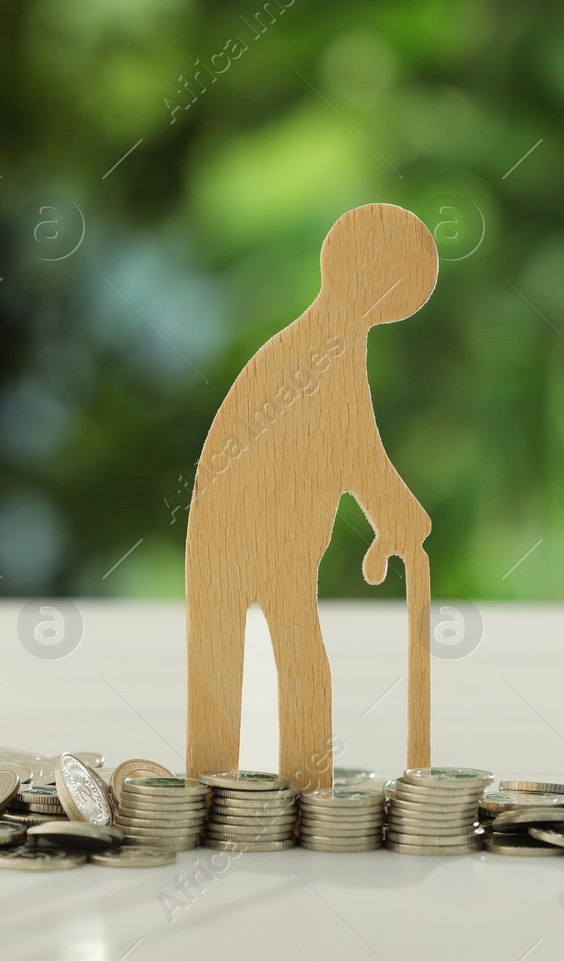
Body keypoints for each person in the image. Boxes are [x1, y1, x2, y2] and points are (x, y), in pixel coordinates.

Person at [185, 203, 437, 790]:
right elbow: (356, 454)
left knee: (287, 664)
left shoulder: (334, 346)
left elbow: (353, 450)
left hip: (278, 547)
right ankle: (233, 791)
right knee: (255, 666)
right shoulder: (320, 353)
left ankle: (297, 787)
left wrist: (397, 513)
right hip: (244, 540)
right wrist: (398, 511)